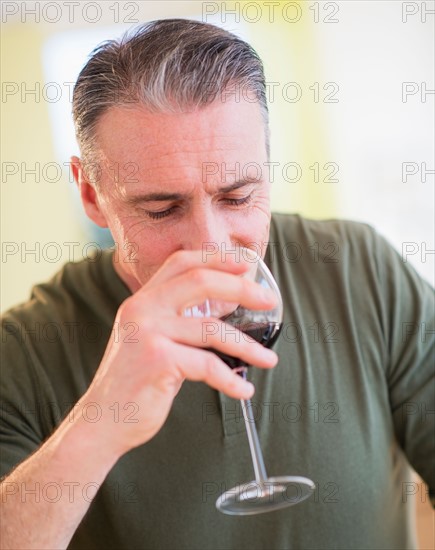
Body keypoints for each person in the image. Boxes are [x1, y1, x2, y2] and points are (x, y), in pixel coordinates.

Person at [0, 19, 433, 550]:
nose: (212, 246)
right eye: (162, 209)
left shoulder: (362, 270)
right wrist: (98, 425)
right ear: (91, 195)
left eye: (237, 197)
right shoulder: (23, 352)